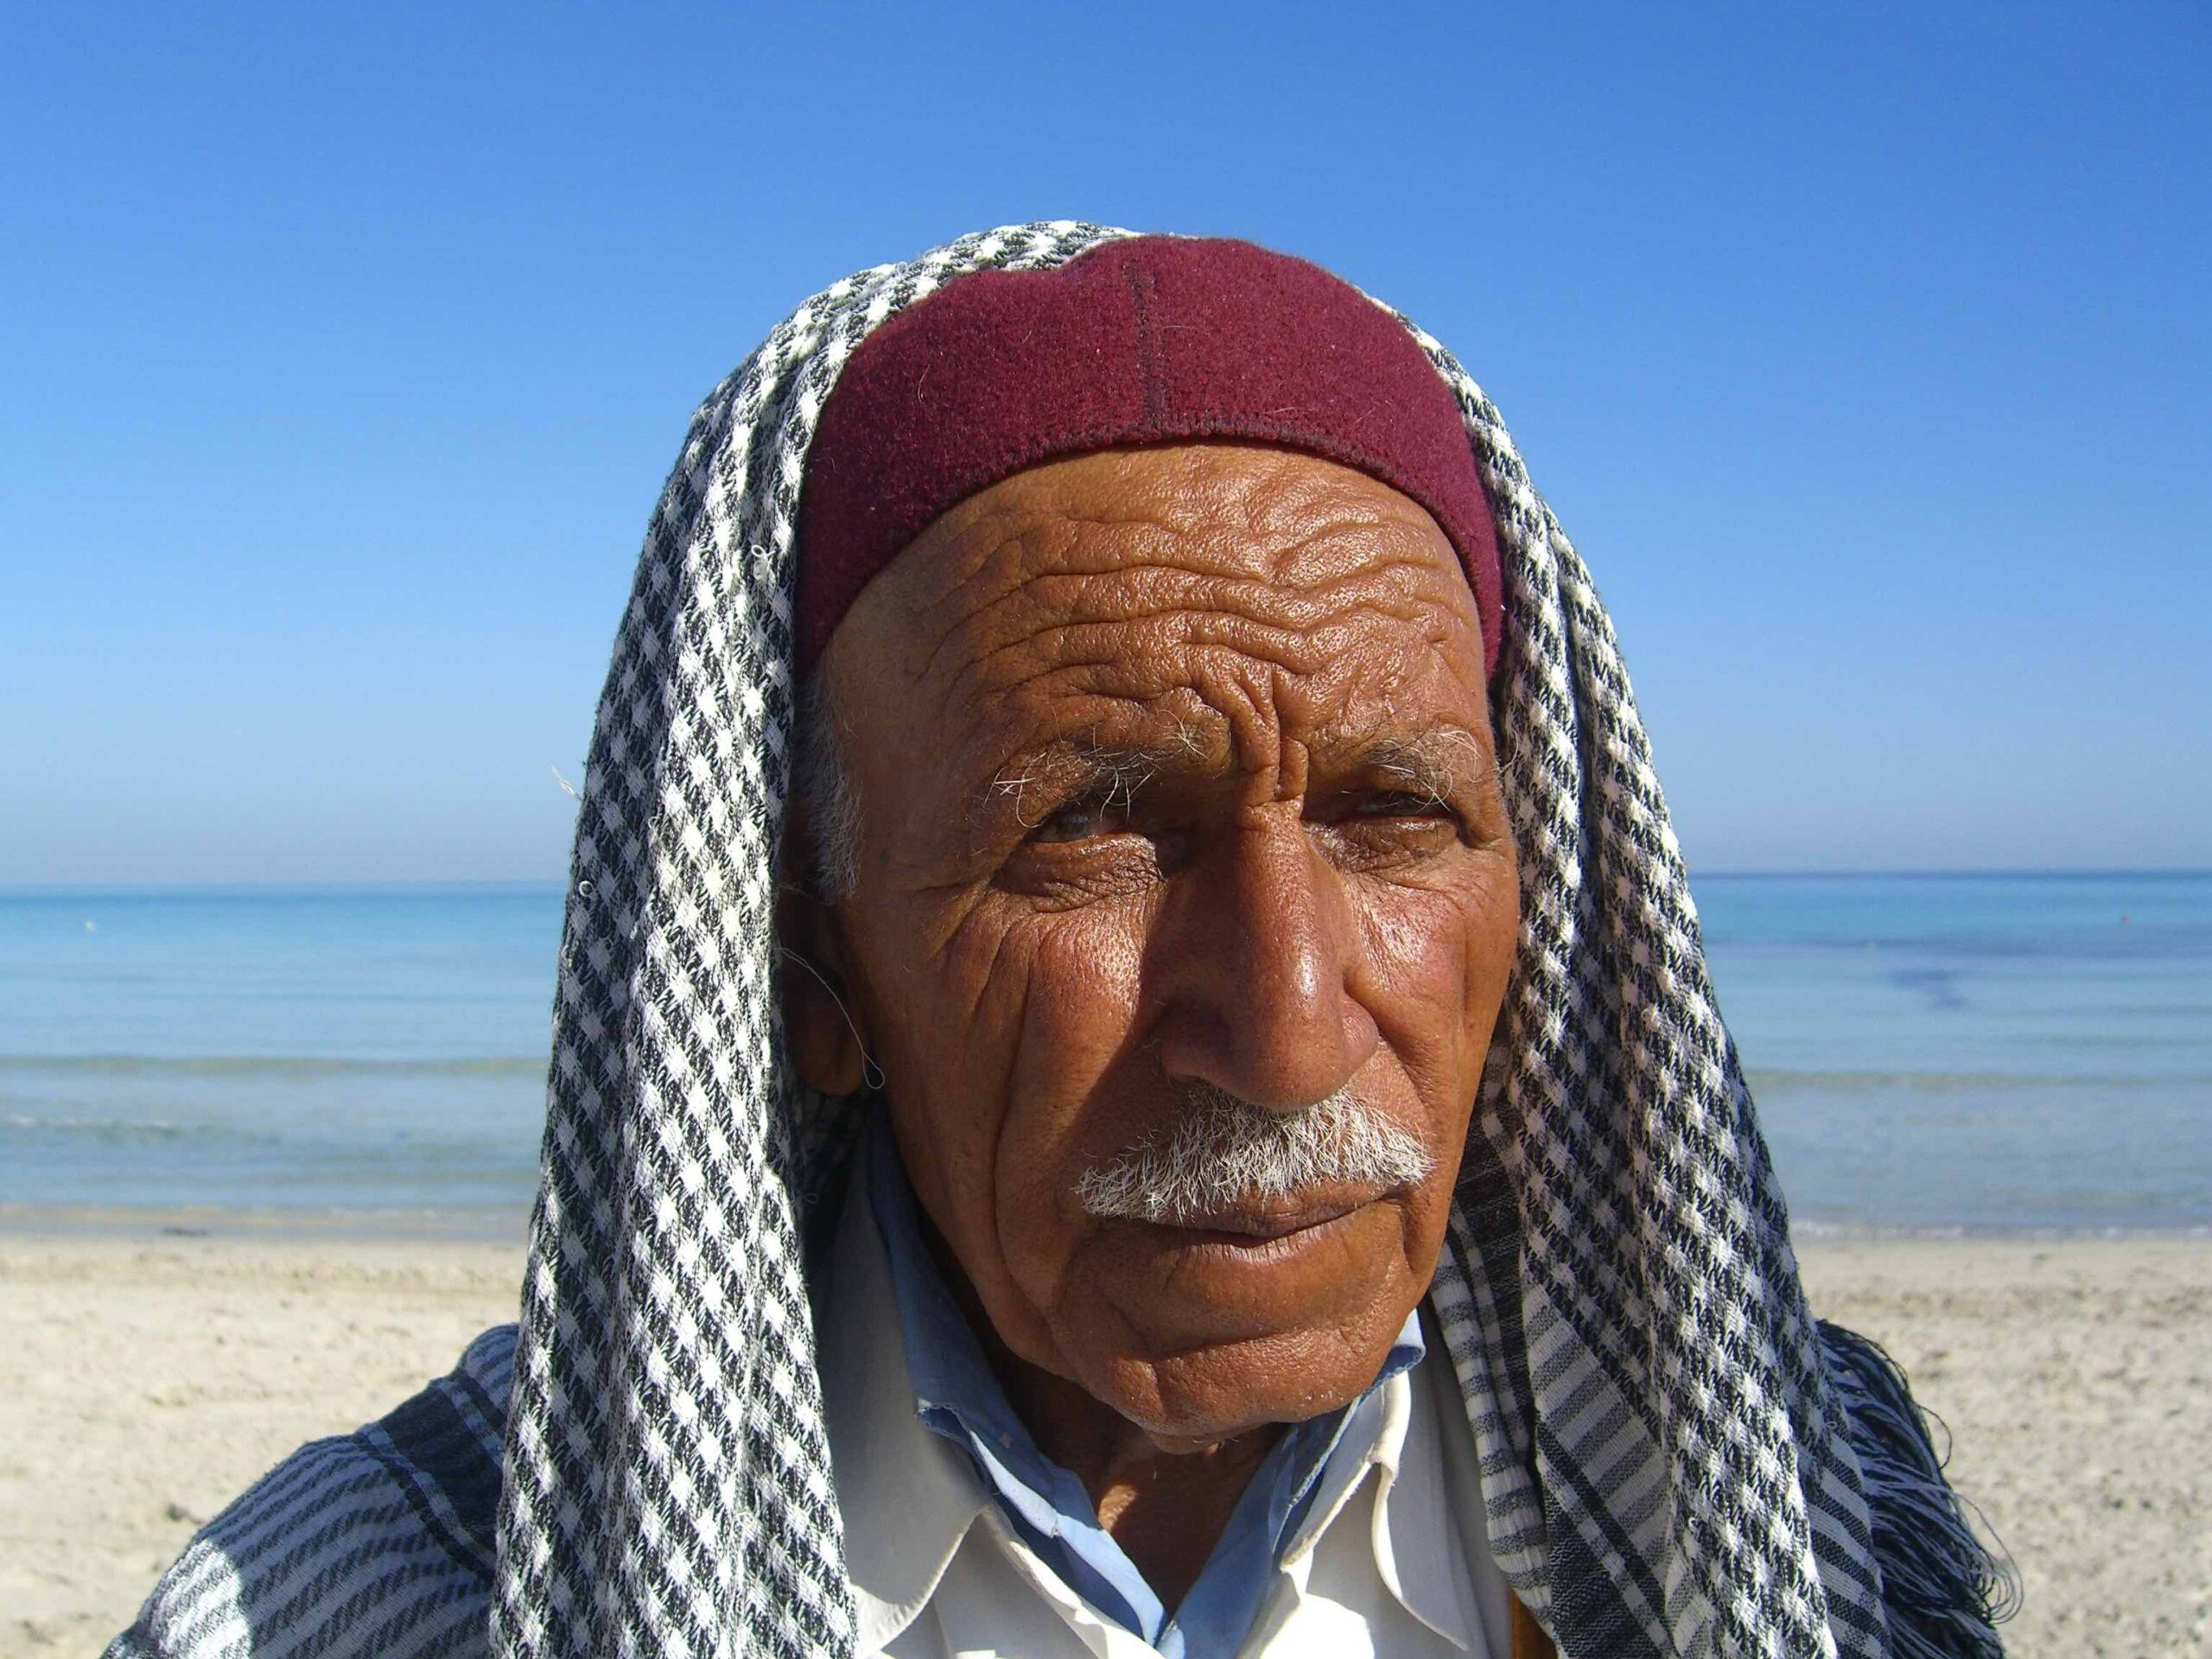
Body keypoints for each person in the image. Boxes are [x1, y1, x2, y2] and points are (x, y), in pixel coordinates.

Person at [109, 226, 2008, 1659]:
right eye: (1090, 834)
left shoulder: (1798, 1501)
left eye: (1393, 814)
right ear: (804, 965)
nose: (1281, 1033)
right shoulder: (374, 1597)